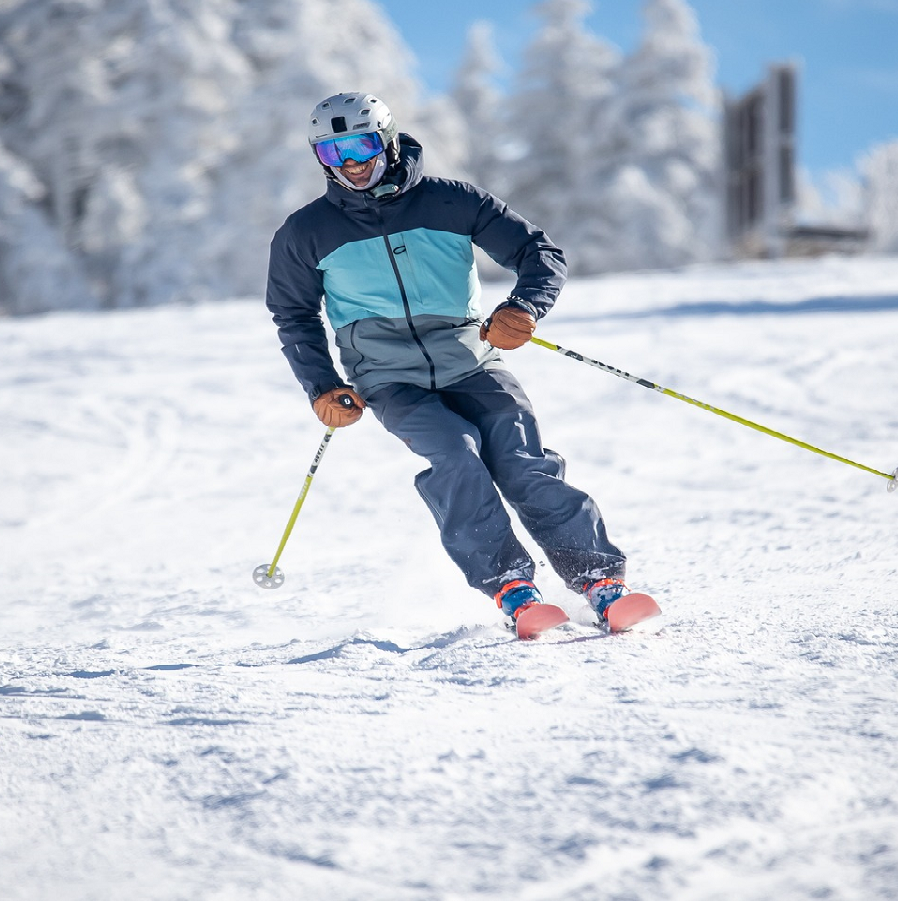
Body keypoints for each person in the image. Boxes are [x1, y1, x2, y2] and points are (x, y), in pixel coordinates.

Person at [266, 92, 659, 637]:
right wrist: (322, 386)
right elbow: (293, 314)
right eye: (332, 154)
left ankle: (599, 580)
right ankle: (512, 587)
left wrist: (522, 308)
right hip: (388, 379)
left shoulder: (451, 202)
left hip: (471, 360)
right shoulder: (305, 233)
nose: (350, 163)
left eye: (358, 145)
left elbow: (540, 254)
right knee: (456, 455)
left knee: (521, 460)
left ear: (386, 139)